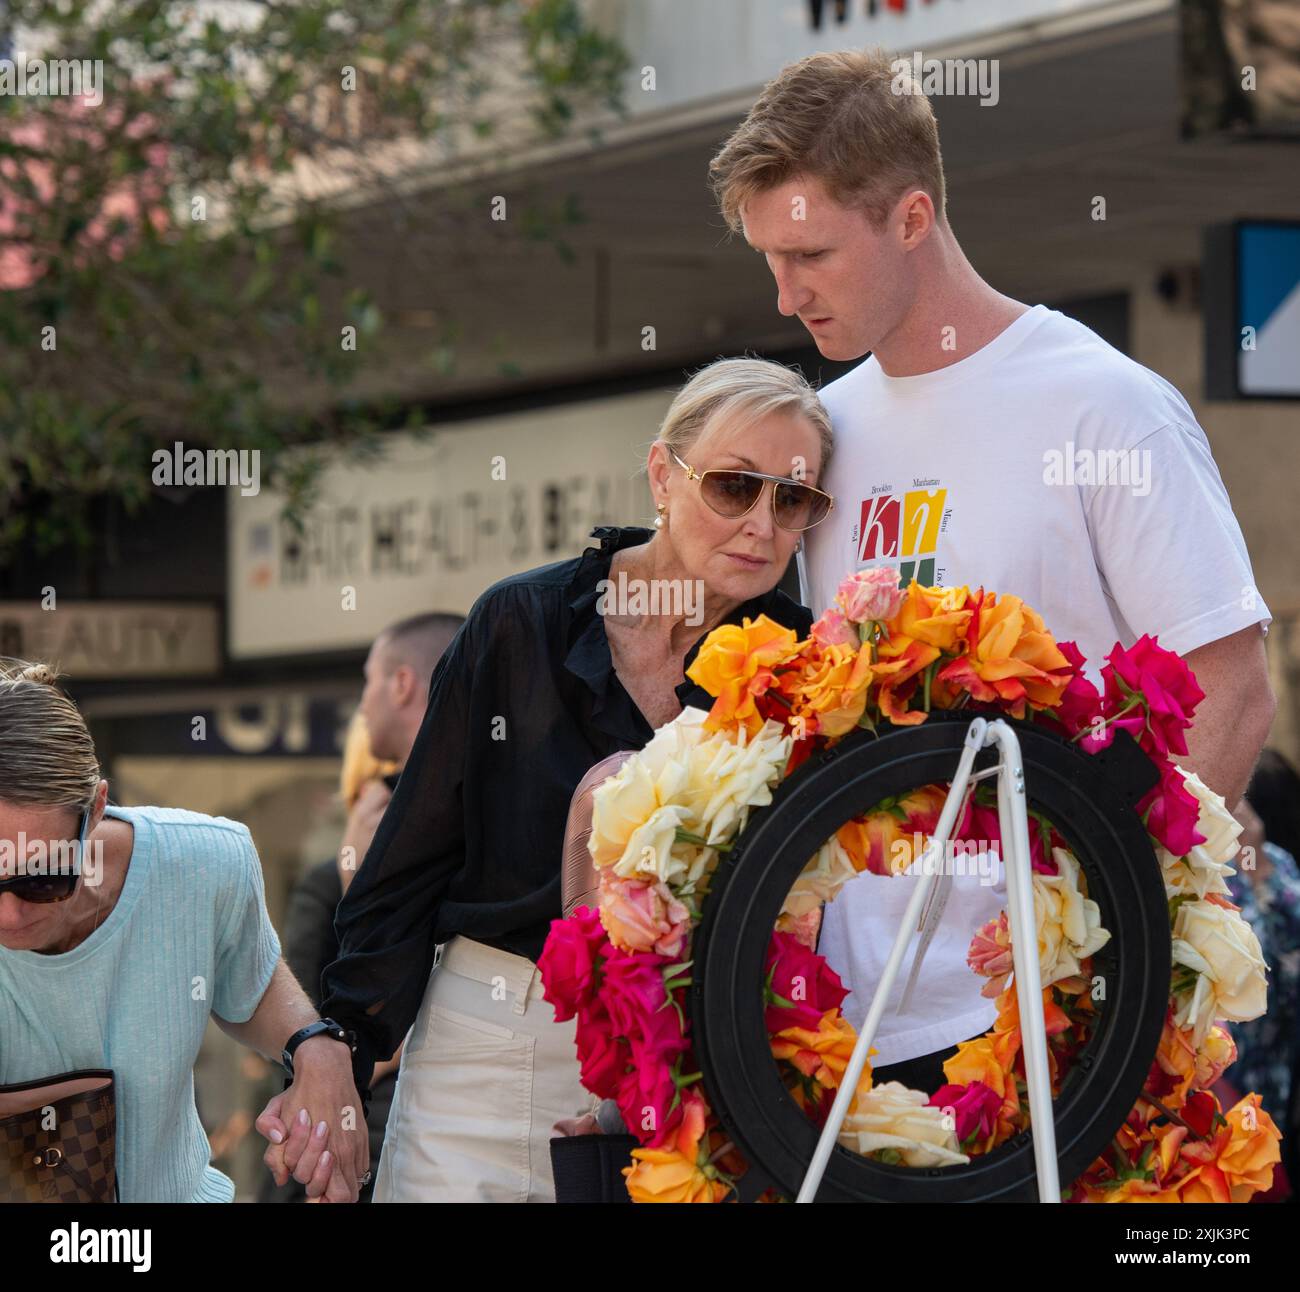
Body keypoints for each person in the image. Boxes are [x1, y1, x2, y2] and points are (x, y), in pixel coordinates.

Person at [708, 47, 1275, 1081]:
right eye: (769, 262)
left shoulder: (1104, 405)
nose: (786, 298)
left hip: (1056, 1022)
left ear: (912, 219)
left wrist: (1100, 930)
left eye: (812, 256)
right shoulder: (822, 429)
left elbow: (1230, 689)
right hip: (842, 1032)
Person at [278, 357, 834, 1201]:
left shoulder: (804, 666)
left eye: (790, 499)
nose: (761, 522)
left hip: (690, 1066)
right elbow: (411, 859)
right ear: (662, 474)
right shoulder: (522, 621)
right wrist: (344, 1056)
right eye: (732, 486)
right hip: (484, 1045)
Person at [0, 659, 367, 1203]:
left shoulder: (203, 864)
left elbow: (251, 983)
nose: (8, 914)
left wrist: (316, 1049)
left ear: (96, 809)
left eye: (41, 877)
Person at [259, 617, 462, 1202]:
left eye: (368, 682)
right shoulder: (357, 851)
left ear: (401, 684)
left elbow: (300, 1031)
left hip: (406, 1137)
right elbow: (297, 1037)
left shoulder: (370, 857)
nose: (363, 707)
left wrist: (361, 889)